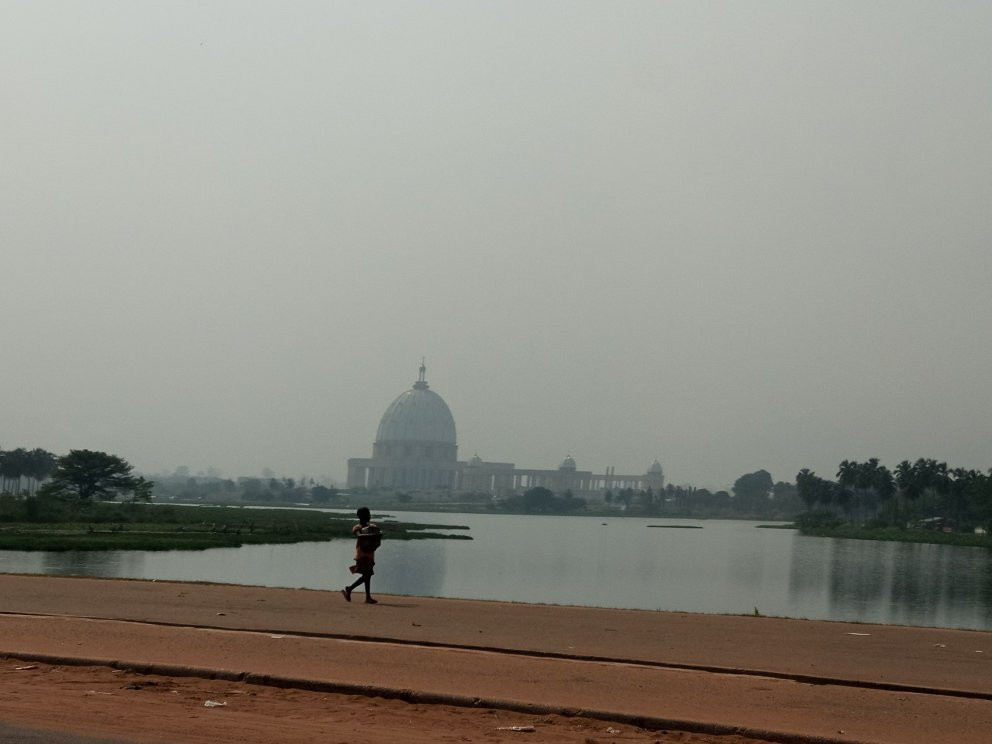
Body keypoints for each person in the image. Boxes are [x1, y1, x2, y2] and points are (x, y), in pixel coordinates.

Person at [342, 506, 380, 604]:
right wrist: (370, 533)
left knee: (367, 576)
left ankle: (367, 597)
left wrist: (376, 532)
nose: (369, 517)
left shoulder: (373, 527)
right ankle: (349, 589)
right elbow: (359, 535)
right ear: (361, 517)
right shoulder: (357, 527)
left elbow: (377, 534)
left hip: (370, 554)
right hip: (362, 554)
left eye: (369, 515)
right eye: (367, 515)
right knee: (367, 575)